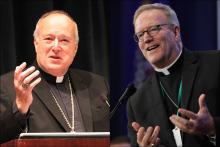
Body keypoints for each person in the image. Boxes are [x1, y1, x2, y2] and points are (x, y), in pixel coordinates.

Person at [0, 10, 109, 144]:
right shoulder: (7, 85)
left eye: (64, 40)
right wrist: (20, 107)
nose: (56, 47)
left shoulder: (97, 85)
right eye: (49, 39)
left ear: (75, 48)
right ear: (36, 43)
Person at [127, 3, 220, 147]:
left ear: (176, 32)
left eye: (153, 29)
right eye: (140, 35)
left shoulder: (215, 64)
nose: (146, 39)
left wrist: (213, 128)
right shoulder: (137, 102)